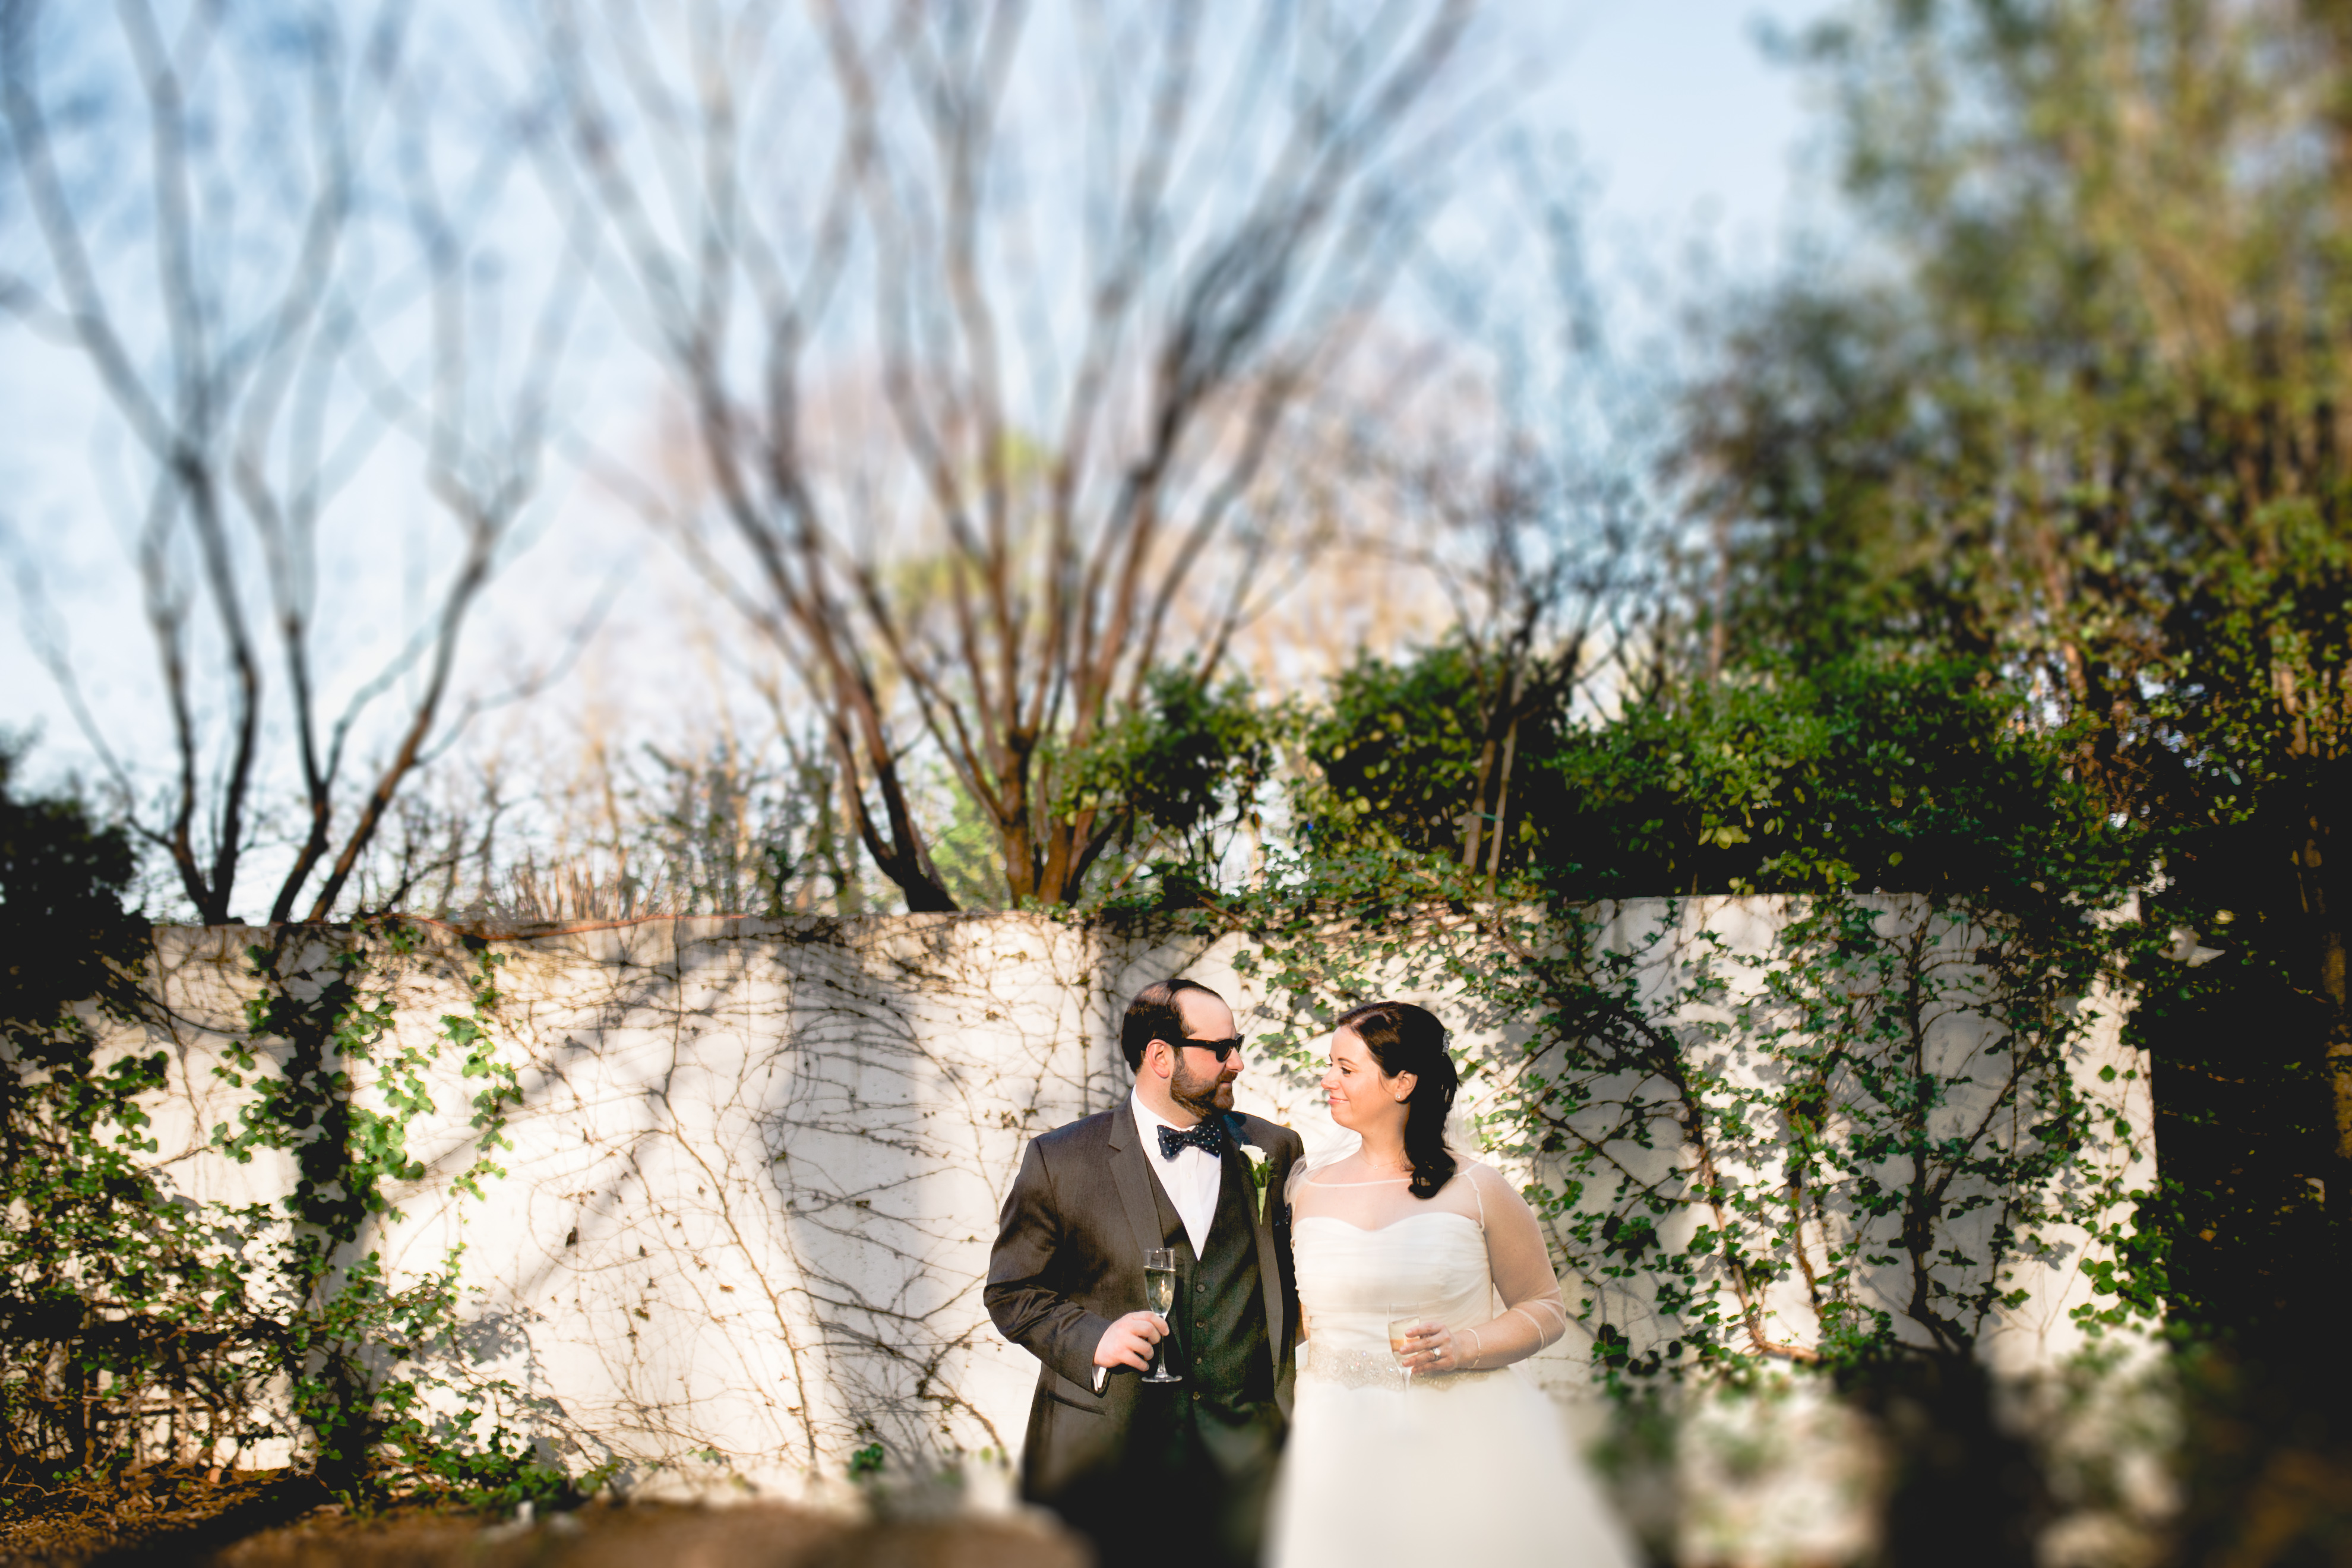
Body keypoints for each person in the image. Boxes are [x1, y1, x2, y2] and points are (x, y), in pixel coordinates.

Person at [1266, 1000, 1639, 1568]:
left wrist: (1467, 1346)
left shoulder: (1479, 1187)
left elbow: (1545, 1307)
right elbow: (1298, 1317)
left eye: (1346, 1069)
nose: (1328, 1080)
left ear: (1403, 1083)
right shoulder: (1306, 1188)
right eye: (1331, 1066)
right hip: (1335, 1436)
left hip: (1459, 1431)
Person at [985, 978, 1305, 1568]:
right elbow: (1012, 1291)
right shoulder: (1060, 1160)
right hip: (1109, 1456)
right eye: (1222, 1048)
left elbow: (1299, 1278)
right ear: (1161, 1056)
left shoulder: (1276, 1149)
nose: (1238, 1061)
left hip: (1249, 1455)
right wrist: (1093, 1338)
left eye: (1239, 1044)